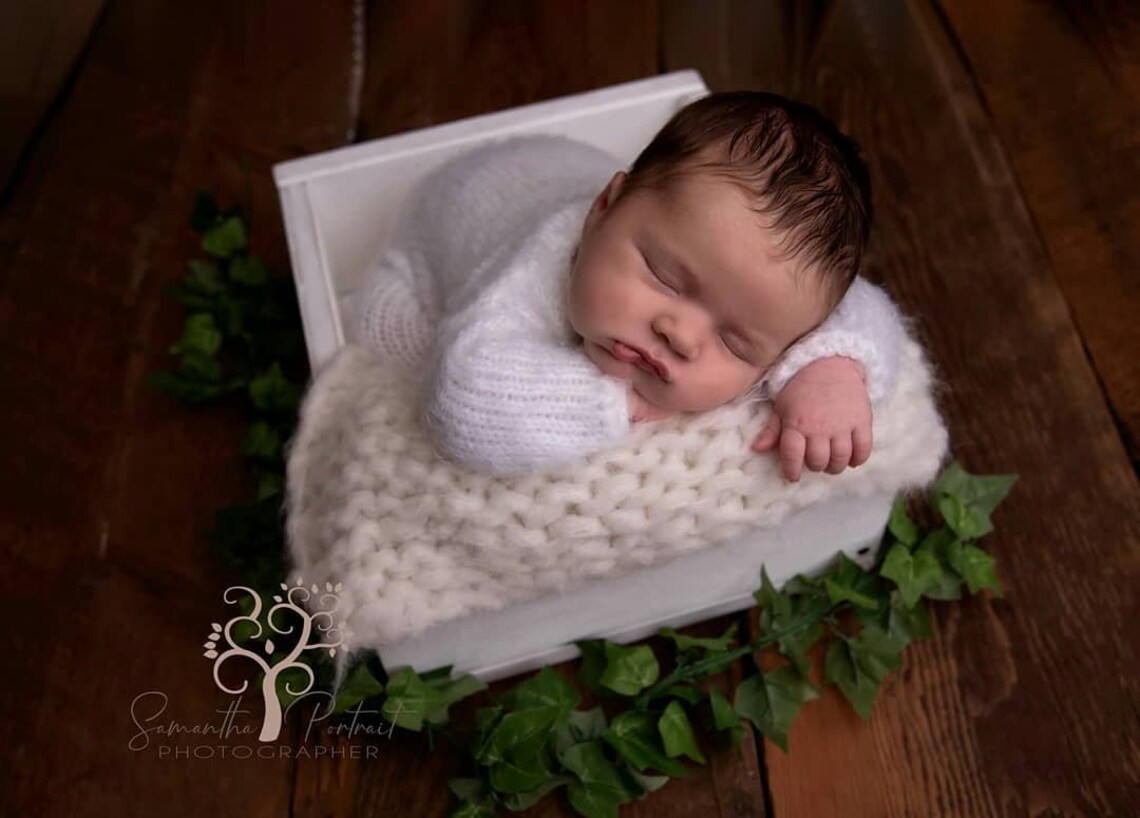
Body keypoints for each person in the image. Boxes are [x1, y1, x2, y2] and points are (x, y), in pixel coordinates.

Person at [343, 92, 904, 480]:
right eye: (664, 277)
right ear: (602, 211)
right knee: (393, 342)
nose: (680, 335)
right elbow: (462, 405)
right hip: (454, 215)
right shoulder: (529, 275)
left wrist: (832, 372)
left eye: (736, 342)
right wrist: (617, 401)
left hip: (601, 180)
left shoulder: (746, 281)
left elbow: (861, 309)